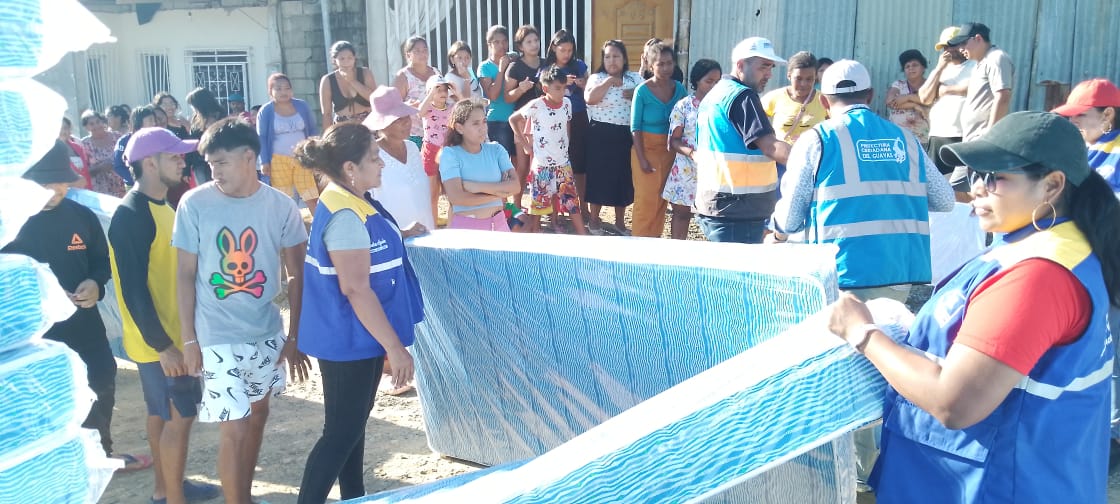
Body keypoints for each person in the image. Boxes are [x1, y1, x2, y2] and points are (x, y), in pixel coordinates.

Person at [828, 110, 1120, 502]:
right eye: (975, 174)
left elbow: (955, 402)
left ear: (1052, 185)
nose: (977, 188)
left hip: (994, 487)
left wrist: (863, 333)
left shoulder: (1039, 275)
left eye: (995, 176)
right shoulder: (1041, 241)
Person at [172, 118, 311, 504]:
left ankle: (244, 497)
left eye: (221, 162)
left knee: (257, 416)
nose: (213, 171)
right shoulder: (194, 204)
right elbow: (184, 275)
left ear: (249, 157)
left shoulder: (282, 206)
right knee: (233, 429)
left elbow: (297, 275)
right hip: (216, 335)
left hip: (266, 330)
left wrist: (294, 337)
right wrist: (189, 340)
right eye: (210, 164)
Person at [292, 120, 425, 503]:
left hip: (356, 337)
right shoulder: (345, 213)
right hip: (347, 339)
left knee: (352, 427)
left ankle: (354, 495)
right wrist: (395, 348)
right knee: (340, 433)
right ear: (350, 167)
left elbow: (367, 245)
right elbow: (355, 288)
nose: (381, 163)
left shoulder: (350, 199)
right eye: (374, 157)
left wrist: (401, 234)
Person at [2, 140, 152, 473]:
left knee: (101, 379)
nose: (56, 190)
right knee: (43, 397)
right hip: (32, 336)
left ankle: (100, 455)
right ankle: (52, 466)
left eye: (62, 182)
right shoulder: (9, 225)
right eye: (46, 183)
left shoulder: (81, 216)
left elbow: (101, 261)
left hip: (84, 324)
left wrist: (96, 283)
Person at [770, 58, 953, 300]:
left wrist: (776, 235)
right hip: (898, 273)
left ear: (823, 101)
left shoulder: (817, 140)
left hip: (841, 275)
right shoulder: (907, 139)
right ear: (870, 95)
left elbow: (790, 218)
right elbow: (945, 200)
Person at [110, 128, 222, 504]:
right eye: (173, 156)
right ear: (149, 163)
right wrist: (163, 345)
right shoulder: (131, 214)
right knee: (179, 415)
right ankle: (171, 494)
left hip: (171, 336)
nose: (182, 162)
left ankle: (167, 487)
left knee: (162, 414)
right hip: (158, 343)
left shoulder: (162, 206)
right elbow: (133, 289)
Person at [1053, 77, 1120, 466]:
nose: (1073, 124)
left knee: (1112, 350)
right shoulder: (1084, 151)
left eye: (1080, 116)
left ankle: (1112, 434)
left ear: (1108, 115)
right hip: (1085, 265)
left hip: (1112, 266)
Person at [693, 37, 791, 243]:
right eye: (763, 66)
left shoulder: (716, 94)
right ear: (740, 65)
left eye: (771, 67)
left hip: (716, 205)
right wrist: (813, 163)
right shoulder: (743, 97)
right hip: (738, 210)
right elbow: (770, 146)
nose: (769, 74)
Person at [509, 66, 588, 235]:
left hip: (563, 164)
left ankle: (583, 236)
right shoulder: (536, 105)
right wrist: (525, 144)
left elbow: (566, 123)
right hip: (542, 165)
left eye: (564, 87)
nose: (562, 92)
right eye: (557, 88)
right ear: (545, 89)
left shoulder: (567, 103)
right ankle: (535, 233)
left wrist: (566, 144)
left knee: (571, 202)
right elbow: (513, 119)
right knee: (538, 204)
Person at [629, 41, 687, 238]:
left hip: (671, 152)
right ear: (651, 65)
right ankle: (640, 243)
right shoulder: (642, 91)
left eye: (669, 63)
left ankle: (655, 243)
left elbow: (687, 118)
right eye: (660, 64)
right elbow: (635, 128)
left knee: (662, 199)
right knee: (646, 200)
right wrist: (642, 159)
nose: (665, 68)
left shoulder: (679, 89)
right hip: (646, 150)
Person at [947, 22, 1015, 189]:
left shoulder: (996, 58)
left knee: (962, 189)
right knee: (963, 190)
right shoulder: (980, 63)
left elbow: (1003, 96)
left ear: (978, 38)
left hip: (983, 141)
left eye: (964, 43)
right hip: (972, 141)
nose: (960, 48)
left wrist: (989, 135)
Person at [584, 39, 641, 235]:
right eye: (607, 57)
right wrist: (608, 82)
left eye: (616, 56)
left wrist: (636, 93)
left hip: (625, 135)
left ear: (624, 58)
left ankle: (619, 223)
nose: (612, 60)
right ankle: (594, 221)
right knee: (598, 178)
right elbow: (590, 99)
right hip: (600, 134)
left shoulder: (634, 79)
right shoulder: (596, 78)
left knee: (622, 179)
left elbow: (648, 95)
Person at [440, 99, 521, 231]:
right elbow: (457, 198)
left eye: (484, 121)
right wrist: (498, 194)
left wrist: (476, 187)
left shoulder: (497, 150)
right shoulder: (450, 154)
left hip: (499, 226)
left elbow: (515, 186)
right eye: (475, 123)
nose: (482, 128)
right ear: (459, 128)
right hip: (466, 229)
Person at [363, 85, 435, 231]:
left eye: (406, 116)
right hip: (394, 240)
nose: (406, 122)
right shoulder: (370, 156)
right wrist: (401, 234)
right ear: (382, 125)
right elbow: (366, 209)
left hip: (427, 236)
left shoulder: (412, 148)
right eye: (398, 119)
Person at [663, 59, 722, 240]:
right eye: (709, 81)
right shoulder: (684, 106)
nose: (714, 86)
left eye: (717, 82)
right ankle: (677, 252)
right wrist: (692, 154)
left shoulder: (722, 107)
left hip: (714, 170)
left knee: (713, 216)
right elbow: (674, 140)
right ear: (697, 80)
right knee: (681, 214)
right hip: (686, 169)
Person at [544, 29, 591, 219]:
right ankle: (554, 210)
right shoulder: (547, 67)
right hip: (554, 119)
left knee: (579, 164)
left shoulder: (579, 65)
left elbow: (591, 85)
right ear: (554, 48)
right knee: (556, 164)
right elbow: (541, 88)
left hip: (578, 116)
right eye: (562, 50)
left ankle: (583, 207)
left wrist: (583, 84)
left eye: (570, 50)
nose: (566, 54)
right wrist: (562, 82)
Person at [257, 72, 320, 213]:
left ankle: (318, 223)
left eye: (287, 88)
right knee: (284, 198)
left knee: (311, 195)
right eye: (278, 89)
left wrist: (316, 154)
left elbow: (313, 130)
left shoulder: (302, 106)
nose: (283, 92)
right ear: (270, 91)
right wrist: (264, 161)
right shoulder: (266, 111)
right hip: (278, 160)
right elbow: (262, 137)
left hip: (302, 158)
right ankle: (287, 224)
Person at [919, 27, 975, 177]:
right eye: (944, 47)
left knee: (962, 184)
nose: (948, 50)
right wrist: (939, 68)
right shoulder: (941, 70)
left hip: (963, 135)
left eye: (951, 45)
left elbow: (975, 88)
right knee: (936, 181)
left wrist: (946, 90)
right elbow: (924, 97)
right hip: (938, 134)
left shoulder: (975, 65)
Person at [505, 25, 544, 199]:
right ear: (520, 46)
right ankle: (517, 205)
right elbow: (507, 97)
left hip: (544, 119)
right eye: (529, 42)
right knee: (523, 166)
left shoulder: (546, 63)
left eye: (536, 40)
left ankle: (542, 206)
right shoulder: (515, 67)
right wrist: (520, 89)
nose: (534, 44)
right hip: (522, 120)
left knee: (543, 164)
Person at [761, 51, 829, 146]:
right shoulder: (774, 97)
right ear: (789, 76)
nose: (803, 84)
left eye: (809, 79)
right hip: (782, 155)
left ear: (815, 77)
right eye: (798, 78)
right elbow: (755, 126)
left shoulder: (825, 100)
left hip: (814, 154)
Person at [419, 74, 456, 226]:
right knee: (432, 194)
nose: (442, 93)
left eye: (445, 89)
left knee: (452, 194)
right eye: (438, 89)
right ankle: (433, 226)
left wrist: (456, 91)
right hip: (430, 150)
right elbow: (419, 112)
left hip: (448, 151)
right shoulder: (427, 108)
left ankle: (451, 227)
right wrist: (430, 94)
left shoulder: (452, 107)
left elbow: (465, 107)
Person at [478, 25, 517, 161]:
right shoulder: (485, 67)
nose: (502, 45)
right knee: (502, 163)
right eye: (497, 42)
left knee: (519, 164)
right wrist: (501, 70)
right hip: (498, 121)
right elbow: (492, 95)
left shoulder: (514, 59)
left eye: (504, 41)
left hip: (517, 119)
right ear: (489, 45)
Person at [394, 36, 440, 148]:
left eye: (425, 50)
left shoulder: (436, 72)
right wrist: (408, 106)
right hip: (413, 134)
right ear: (408, 55)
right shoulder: (403, 76)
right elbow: (394, 106)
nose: (422, 53)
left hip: (436, 132)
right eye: (417, 51)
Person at [318, 41, 377, 129]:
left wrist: (352, 81)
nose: (346, 62)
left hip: (367, 124)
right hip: (342, 127)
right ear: (335, 60)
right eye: (342, 59)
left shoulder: (365, 73)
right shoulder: (328, 80)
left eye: (350, 58)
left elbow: (375, 99)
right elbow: (326, 114)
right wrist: (327, 135)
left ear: (354, 58)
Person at [886, 49, 931, 146]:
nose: (911, 68)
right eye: (907, 66)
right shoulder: (899, 85)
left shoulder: (930, 85)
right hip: (899, 139)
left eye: (915, 65)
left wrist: (907, 98)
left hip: (923, 139)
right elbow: (890, 101)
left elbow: (929, 100)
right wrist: (915, 105)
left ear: (923, 67)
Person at [80, 109, 127, 197]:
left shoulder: (117, 137)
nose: (96, 126)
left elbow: (128, 156)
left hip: (122, 186)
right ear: (86, 127)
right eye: (91, 124)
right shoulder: (84, 144)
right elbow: (83, 172)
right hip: (100, 191)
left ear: (102, 121)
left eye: (98, 122)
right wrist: (100, 168)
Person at [186, 87, 226, 184]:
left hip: (216, 159)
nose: (193, 108)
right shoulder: (195, 119)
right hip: (199, 162)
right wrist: (187, 167)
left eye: (193, 105)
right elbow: (192, 142)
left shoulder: (219, 116)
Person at [113, 105, 158, 188]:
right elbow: (118, 166)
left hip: (157, 184)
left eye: (154, 120)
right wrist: (137, 180)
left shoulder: (157, 139)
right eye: (150, 120)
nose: (154, 123)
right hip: (134, 186)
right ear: (139, 121)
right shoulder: (124, 141)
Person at [61, 116, 91, 188]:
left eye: (65, 128)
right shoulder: (49, 151)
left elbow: (86, 173)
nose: (62, 131)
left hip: (84, 190)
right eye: (59, 128)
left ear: (70, 130)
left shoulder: (78, 147)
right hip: (65, 192)